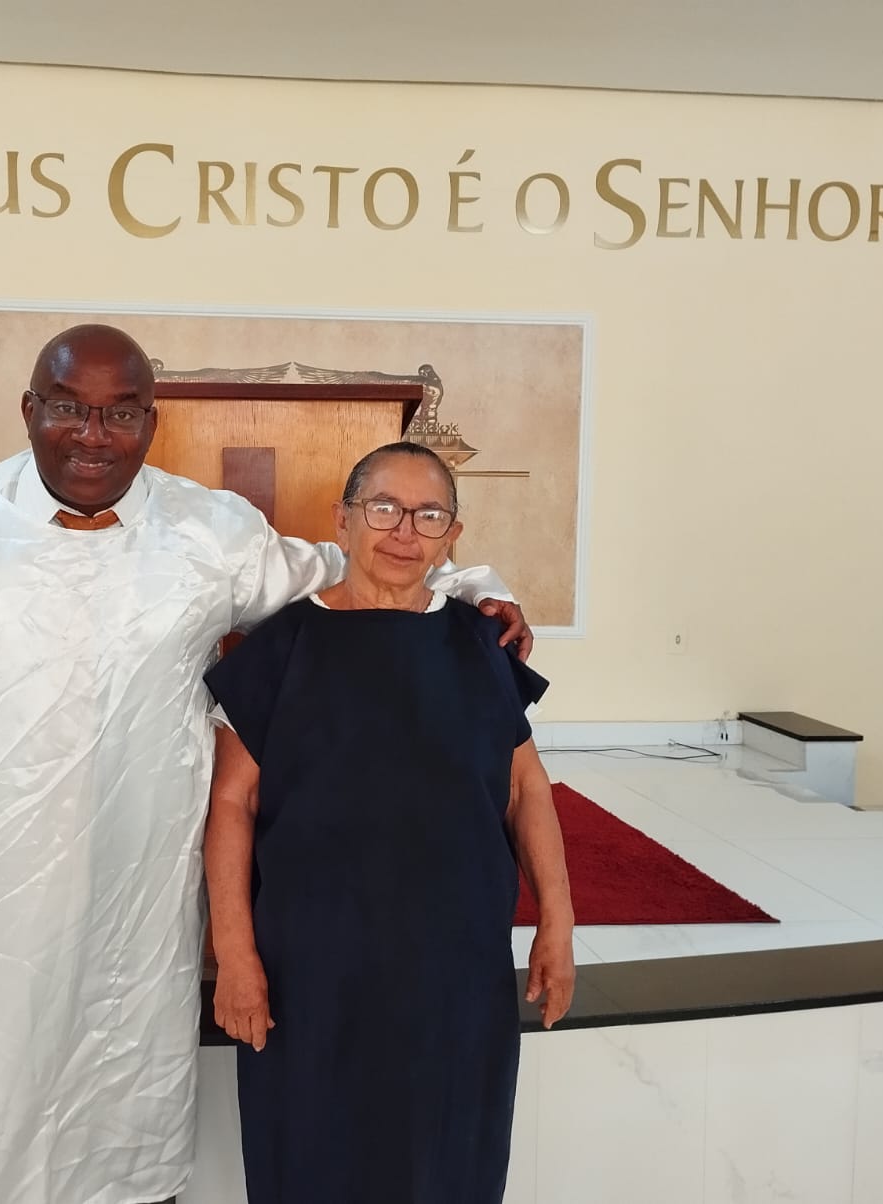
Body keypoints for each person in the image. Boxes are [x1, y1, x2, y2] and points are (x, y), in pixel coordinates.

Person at [0, 325, 532, 1204]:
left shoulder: (207, 530)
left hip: (141, 905)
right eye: (71, 409)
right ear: (30, 411)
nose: (94, 434)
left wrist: (473, 591)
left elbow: (336, 579)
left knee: (126, 1127)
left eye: (121, 413)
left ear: (150, 422)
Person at [203, 440, 575, 1204]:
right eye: (384, 509)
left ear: (452, 537)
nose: (404, 531)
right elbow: (232, 805)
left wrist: (558, 927)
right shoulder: (282, 646)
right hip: (314, 969)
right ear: (343, 521)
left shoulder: (482, 645)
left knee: (448, 1163)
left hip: (454, 966)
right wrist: (235, 955)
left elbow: (526, 790)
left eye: (428, 514)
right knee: (311, 1156)